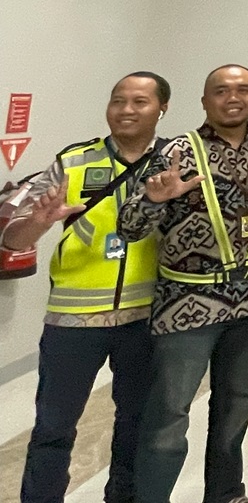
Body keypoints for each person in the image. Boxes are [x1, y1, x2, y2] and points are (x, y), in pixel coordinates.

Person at [6, 73, 169, 503]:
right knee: (53, 429)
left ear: (162, 109)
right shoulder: (75, 161)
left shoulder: (176, 165)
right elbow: (12, 240)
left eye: (140, 101)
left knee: (135, 424)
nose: (127, 110)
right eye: (118, 100)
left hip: (145, 318)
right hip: (72, 321)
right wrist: (38, 223)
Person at [118, 65, 248, 503]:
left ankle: (226, 494)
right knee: (169, 414)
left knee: (236, 406)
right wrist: (153, 199)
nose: (232, 98)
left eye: (243, 89)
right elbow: (128, 227)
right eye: (220, 91)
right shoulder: (175, 152)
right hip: (186, 303)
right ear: (204, 101)